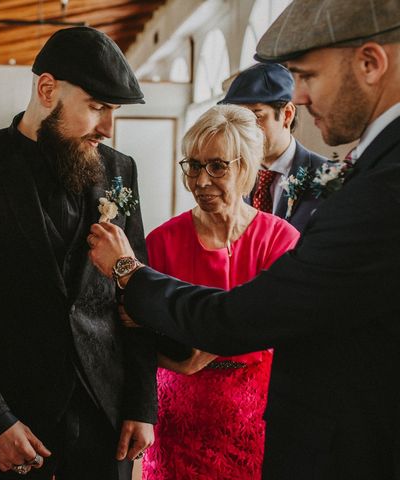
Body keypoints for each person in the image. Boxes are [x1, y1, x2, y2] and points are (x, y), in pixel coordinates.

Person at [87, 1, 400, 478]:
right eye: (193, 164)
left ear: (370, 63)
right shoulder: (378, 164)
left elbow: (243, 317)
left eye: (308, 76)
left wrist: (130, 272)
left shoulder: (387, 182)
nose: (300, 100)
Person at [0, 26, 157, 479]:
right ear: (47, 89)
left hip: (104, 420)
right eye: (98, 107)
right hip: (8, 422)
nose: (108, 128)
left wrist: (142, 403)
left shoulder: (121, 171)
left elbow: (133, 293)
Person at [141, 105, 299, 480]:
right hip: (178, 418)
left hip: (256, 416)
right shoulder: (162, 241)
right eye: (193, 166)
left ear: (245, 167)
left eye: (216, 166)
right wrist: (171, 360)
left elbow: (287, 321)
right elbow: (131, 326)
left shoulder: (280, 239)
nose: (201, 180)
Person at [219, 62, 326, 231]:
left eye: (256, 116)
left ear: (287, 115)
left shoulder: (329, 177)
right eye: (238, 118)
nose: (246, 129)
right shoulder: (227, 173)